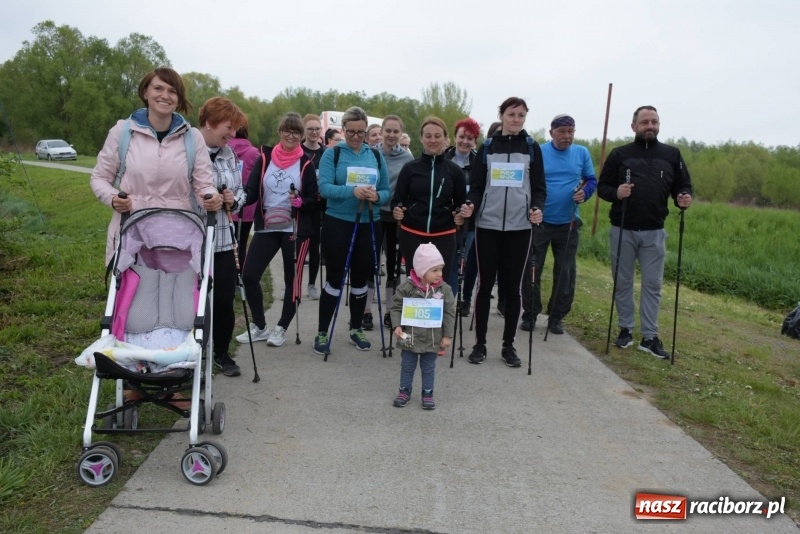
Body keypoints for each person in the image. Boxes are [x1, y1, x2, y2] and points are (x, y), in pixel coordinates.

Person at [91, 67, 222, 267]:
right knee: (130, 296)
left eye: (172, 91)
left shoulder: (192, 137)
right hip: (132, 235)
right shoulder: (122, 132)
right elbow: (100, 178)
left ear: (178, 98)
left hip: (178, 239)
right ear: (145, 92)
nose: (165, 96)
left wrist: (211, 197)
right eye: (158, 88)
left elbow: (204, 185)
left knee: (179, 297)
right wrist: (113, 198)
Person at [597, 105, 693, 358]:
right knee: (623, 282)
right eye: (645, 122)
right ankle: (625, 329)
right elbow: (602, 187)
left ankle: (649, 336)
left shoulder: (671, 154)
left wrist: (684, 196)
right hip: (622, 228)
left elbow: (683, 185)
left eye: (654, 122)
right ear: (634, 126)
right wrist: (616, 192)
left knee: (653, 285)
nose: (650, 126)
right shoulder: (620, 154)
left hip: (654, 231)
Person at [466, 97, 545, 368]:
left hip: (520, 228)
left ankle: (508, 345)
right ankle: (480, 344)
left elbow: (539, 189)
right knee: (484, 285)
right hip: (487, 226)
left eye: (521, 115)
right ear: (501, 115)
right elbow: (476, 186)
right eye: (512, 114)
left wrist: (536, 208)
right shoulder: (488, 146)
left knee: (513, 289)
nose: (516, 120)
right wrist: (471, 205)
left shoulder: (532, 147)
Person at [235, 112, 319, 347]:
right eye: (286, 130)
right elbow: (251, 191)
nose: (290, 135)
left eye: (295, 132)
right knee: (249, 275)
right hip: (267, 227)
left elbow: (315, 198)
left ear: (301, 136)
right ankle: (260, 326)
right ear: (279, 132)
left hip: (295, 229)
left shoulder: (306, 163)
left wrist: (301, 202)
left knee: (292, 281)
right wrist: (239, 199)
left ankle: (281, 327)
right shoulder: (265, 158)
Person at [313, 106, 390, 354]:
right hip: (339, 222)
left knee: (361, 279)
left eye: (361, 132)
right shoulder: (332, 154)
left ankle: (355, 327)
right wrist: (352, 191)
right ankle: (323, 331)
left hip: (370, 221)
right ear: (343, 130)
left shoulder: (375, 156)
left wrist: (376, 196)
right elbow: (324, 188)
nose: (356, 136)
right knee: (335, 279)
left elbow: (388, 190)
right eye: (351, 132)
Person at [520, 114, 597, 334]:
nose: (567, 136)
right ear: (551, 132)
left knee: (565, 273)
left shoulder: (581, 153)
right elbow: (527, 180)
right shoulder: (539, 151)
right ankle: (531, 313)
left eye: (571, 131)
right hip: (540, 221)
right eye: (562, 131)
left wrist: (585, 192)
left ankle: (556, 317)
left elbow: (591, 180)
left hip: (569, 222)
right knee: (532, 270)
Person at [391, 116, 471, 292]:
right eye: (428, 136)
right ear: (421, 138)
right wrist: (396, 210)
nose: (432, 140)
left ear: (445, 138)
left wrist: (460, 213)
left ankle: (439, 320)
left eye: (437, 136)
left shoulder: (454, 171)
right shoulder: (410, 168)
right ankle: (412, 320)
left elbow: (459, 204)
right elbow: (398, 200)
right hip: (412, 233)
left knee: (439, 284)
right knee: (415, 285)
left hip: (443, 234)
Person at [198, 97, 248, 376]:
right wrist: (208, 200)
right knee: (194, 301)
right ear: (209, 122)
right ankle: (193, 353)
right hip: (193, 242)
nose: (232, 134)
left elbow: (240, 192)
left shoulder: (230, 154)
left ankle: (221, 353)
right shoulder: (189, 150)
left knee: (225, 300)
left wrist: (233, 199)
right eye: (228, 127)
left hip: (224, 242)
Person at [390, 243, 455, 410]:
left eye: (440, 269)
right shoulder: (406, 288)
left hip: (433, 337)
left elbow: (449, 312)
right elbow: (396, 306)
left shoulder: (444, 289)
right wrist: (396, 324)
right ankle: (404, 391)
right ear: (420, 270)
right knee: (407, 365)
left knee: (428, 367)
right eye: (434, 270)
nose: (439, 273)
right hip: (408, 336)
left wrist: (447, 335)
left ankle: (428, 393)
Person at [364, 115, 414, 331]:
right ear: (381, 131)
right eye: (388, 131)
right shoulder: (371, 154)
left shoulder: (407, 158)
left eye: (396, 131)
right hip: (373, 213)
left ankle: (389, 312)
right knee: (370, 265)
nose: (392, 135)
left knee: (393, 267)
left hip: (395, 217)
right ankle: (366, 311)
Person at [443, 117, 480, 292]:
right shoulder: (443, 158)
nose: (465, 141)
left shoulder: (480, 163)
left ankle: (450, 304)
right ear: (455, 136)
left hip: (468, 224)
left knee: (457, 264)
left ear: (475, 141)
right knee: (440, 261)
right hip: (443, 220)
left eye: (470, 138)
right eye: (462, 136)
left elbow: (480, 192)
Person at [301, 114, 326, 301]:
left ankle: (311, 284)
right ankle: (293, 283)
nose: (314, 132)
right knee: (298, 246)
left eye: (317, 129)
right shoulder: (298, 151)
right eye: (310, 129)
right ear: (304, 130)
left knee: (315, 246)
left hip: (319, 205)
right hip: (300, 205)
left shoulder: (326, 153)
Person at [229, 125, 260, 266]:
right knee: (241, 244)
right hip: (246, 207)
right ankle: (239, 277)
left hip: (225, 203)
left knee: (226, 245)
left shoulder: (223, 149)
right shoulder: (253, 153)